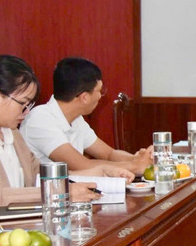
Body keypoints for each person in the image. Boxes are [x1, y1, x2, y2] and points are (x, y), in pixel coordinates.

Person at [0, 55, 134, 235]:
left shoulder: (12, 135)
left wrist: (101, 173)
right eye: (23, 104)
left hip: (12, 235)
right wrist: (62, 194)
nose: (26, 112)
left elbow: (39, 176)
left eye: (30, 105)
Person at [20, 57, 152, 174]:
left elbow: (108, 153)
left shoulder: (76, 118)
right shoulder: (40, 120)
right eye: (100, 91)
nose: (101, 96)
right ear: (84, 97)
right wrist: (134, 166)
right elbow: (82, 166)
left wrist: (138, 158)